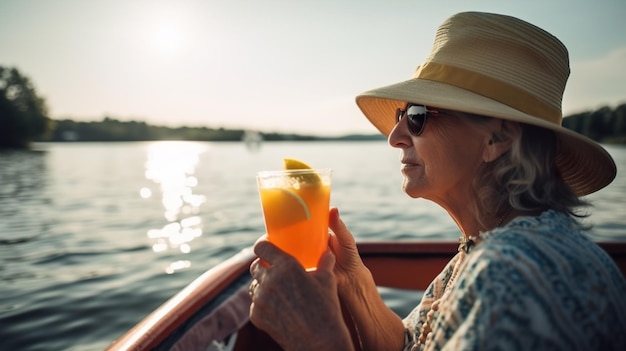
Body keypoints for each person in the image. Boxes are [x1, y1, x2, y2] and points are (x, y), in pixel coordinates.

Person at [248, 11, 626, 350]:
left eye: (416, 115)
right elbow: (410, 346)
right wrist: (354, 284)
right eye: (401, 113)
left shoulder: (516, 272)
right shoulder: (489, 247)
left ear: (497, 139)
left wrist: (314, 339)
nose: (394, 135)